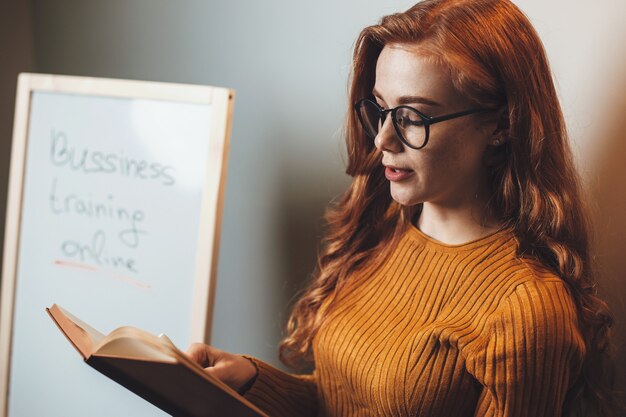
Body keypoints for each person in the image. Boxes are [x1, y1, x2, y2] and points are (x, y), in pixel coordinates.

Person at [185, 0, 621, 416]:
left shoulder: (527, 308)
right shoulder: (383, 231)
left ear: (499, 126)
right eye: (380, 109)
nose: (382, 141)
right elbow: (344, 399)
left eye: (412, 117)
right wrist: (249, 382)